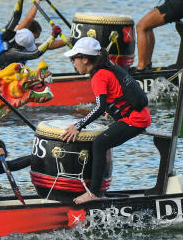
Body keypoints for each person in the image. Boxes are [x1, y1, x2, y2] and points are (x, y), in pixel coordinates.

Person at [61, 36, 152, 204]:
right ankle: (95, 187)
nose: (73, 63)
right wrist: (112, 110)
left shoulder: (98, 76)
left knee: (99, 143)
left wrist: (78, 125)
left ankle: (94, 193)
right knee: (100, 141)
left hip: (137, 120)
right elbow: (114, 95)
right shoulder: (106, 68)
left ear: (85, 59)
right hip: (139, 115)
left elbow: (99, 107)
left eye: (74, 59)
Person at [0, 0, 66, 72]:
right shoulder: (13, 53)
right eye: (35, 38)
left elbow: (16, 16)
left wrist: (69, 40)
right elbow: (29, 19)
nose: (35, 41)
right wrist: (38, 0)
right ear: (27, 30)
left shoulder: (5, 34)